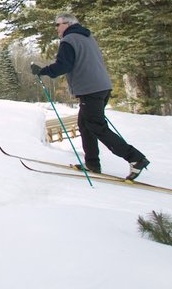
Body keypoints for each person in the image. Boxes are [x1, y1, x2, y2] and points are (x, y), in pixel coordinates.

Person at [31, 13, 150, 180]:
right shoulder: (86, 36)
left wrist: (42, 71)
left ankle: (135, 158)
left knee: (97, 126)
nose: (56, 28)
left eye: (57, 25)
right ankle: (92, 163)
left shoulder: (69, 40)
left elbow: (63, 66)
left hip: (90, 90)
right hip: (101, 87)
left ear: (67, 24)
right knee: (85, 125)